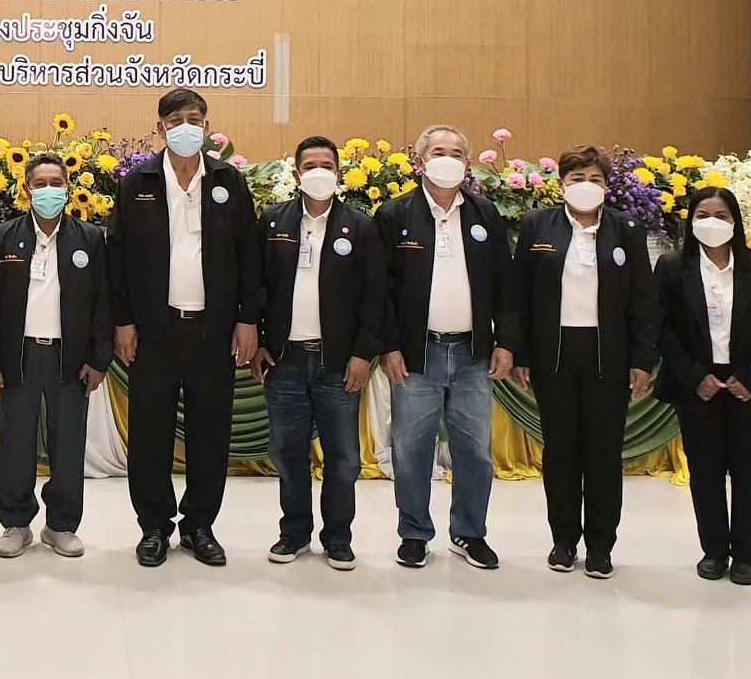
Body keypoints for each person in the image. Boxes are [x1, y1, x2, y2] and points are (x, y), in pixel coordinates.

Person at [109, 88, 262, 567]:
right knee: (149, 434)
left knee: (210, 433)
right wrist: (123, 321)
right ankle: (154, 526)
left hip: (213, 332)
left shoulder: (228, 181)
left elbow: (250, 255)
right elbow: (117, 257)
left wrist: (248, 320)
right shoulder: (138, 182)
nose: (185, 127)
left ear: (207, 126)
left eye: (194, 119)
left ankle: (199, 526)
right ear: (160, 128)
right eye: (175, 120)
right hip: (153, 332)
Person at [511, 146, 658, 578]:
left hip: (608, 356)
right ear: (561, 184)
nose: (586, 186)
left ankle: (600, 546)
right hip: (553, 355)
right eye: (577, 178)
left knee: (603, 453)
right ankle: (563, 541)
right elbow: (520, 296)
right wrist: (520, 352)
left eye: (595, 178)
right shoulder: (538, 224)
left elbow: (643, 300)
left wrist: (642, 359)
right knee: (560, 452)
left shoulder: (626, 229)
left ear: (607, 186)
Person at [378, 123, 517, 571]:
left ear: (468, 163)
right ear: (420, 161)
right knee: (411, 449)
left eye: (457, 153)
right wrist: (389, 346)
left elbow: (505, 284)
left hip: (474, 354)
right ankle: (414, 532)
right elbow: (380, 290)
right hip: (416, 355)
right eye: (439, 152)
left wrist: (506, 342)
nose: (448, 159)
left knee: (474, 450)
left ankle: (469, 532)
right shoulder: (394, 214)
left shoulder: (485, 213)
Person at [250, 136, 385, 569]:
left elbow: (375, 297)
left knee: (343, 457)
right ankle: (293, 535)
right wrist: (260, 342)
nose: (318, 172)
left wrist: (363, 355)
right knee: (287, 452)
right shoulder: (273, 221)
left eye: (327, 165)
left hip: (339, 363)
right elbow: (256, 287)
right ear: (296, 174)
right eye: (310, 165)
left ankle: (338, 538)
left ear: (339, 174)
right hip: (284, 360)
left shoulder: (360, 227)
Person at [653, 185, 751, 585]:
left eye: (721, 215)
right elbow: (661, 327)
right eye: (702, 215)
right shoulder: (671, 267)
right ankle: (714, 551)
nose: (712, 223)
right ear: (690, 222)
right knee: (705, 473)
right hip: (697, 383)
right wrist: (694, 376)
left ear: (735, 222)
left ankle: (746, 556)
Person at [0, 154, 112, 558]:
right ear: (27, 189)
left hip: (69, 358)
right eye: (41, 183)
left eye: (57, 182)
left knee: (68, 442)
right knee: (15, 442)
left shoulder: (89, 238)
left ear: (68, 188)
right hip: (18, 357)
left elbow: (102, 302)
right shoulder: (3, 236)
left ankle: (62, 525)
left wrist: (99, 359)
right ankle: (16, 522)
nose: (49, 190)